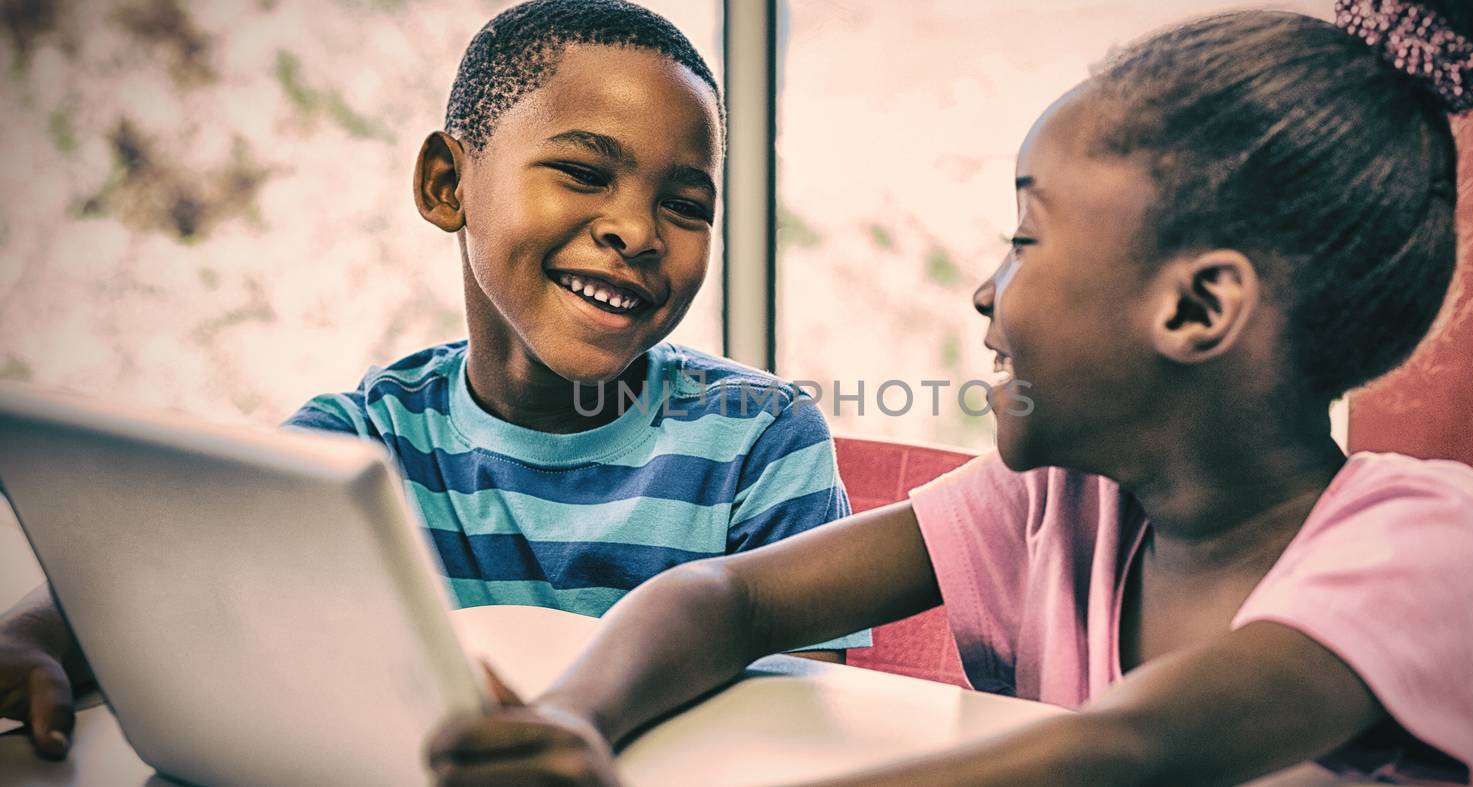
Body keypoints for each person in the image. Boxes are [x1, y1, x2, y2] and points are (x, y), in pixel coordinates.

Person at [425, 1, 1473, 784]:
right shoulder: (1056, 506)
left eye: (1024, 237)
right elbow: (729, 598)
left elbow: (1122, 752)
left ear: (1196, 309)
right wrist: (576, 716)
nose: (981, 289)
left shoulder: (1424, 536)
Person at [0, 0, 867, 761]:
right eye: (583, 172)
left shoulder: (763, 439)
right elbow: (165, 560)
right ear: (447, 183)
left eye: (686, 203)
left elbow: (790, 725)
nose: (638, 231)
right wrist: (30, 637)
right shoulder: (362, 439)